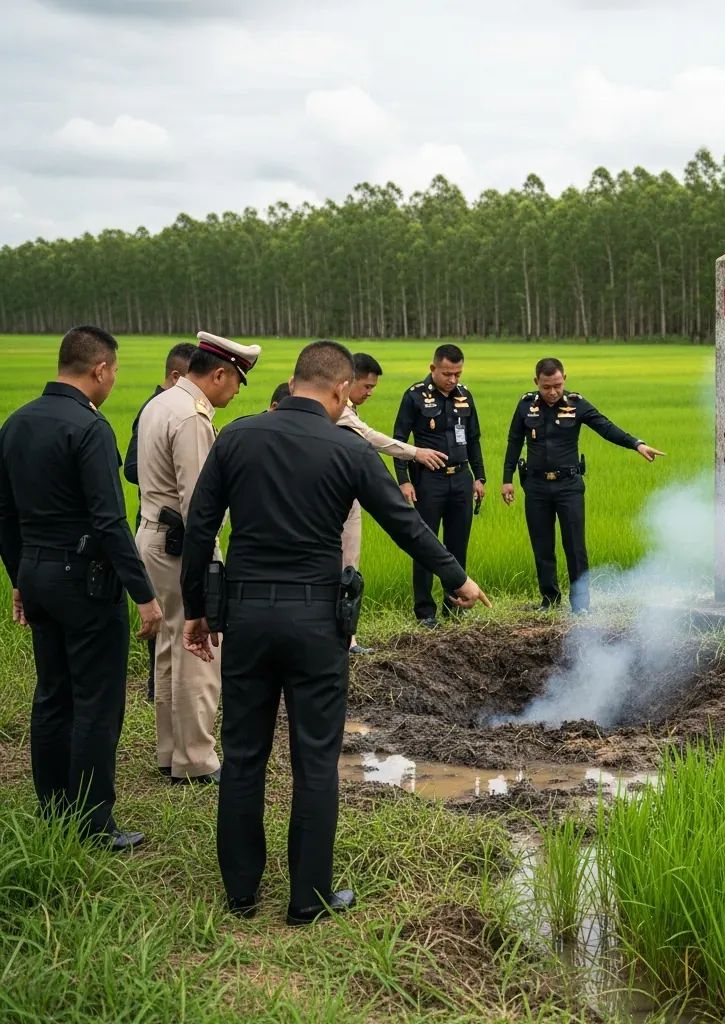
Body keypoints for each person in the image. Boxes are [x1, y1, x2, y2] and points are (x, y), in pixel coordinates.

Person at [179, 340, 490, 926]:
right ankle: (308, 900)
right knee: (314, 762)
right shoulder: (346, 449)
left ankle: (241, 895)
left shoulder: (238, 437)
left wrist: (197, 609)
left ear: (295, 380)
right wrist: (458, 578)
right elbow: (405, 523)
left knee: (243, 755)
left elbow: (200, 528)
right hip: (317, 624)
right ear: (341, 389)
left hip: (245, 617)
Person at [0, 325, 163, 851]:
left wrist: (19, 577)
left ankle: (53, 809)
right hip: (86, 583)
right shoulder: (89, 429)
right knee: (96, 700)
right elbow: (110, 521)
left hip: (37, 573)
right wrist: (144, 594)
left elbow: (5, 513)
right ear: (99, 370)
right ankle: (94, 823)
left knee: (52, 693)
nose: (113, 380)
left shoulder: (16, 422)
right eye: (113, 371)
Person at [136, 331, 260, 785]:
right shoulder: (192, 418)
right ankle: (197, 760)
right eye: (236, 383)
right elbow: (199, 506)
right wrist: (208, 570)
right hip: (182, 545)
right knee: (200, 649)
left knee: (170, 648)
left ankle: (172, 752)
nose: (234, 393)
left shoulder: (161, 402)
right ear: (220, 374)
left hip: (153, 537)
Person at [501, 357, 665, 613]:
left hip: (569, 487)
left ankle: (580, 605)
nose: (552, 392)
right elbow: (513, 442)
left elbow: (606, 427)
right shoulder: (525, 406)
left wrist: (637, 444)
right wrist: (507, 480)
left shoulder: (576, 404)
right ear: (536, 383)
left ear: (564, 379)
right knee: (542, 545)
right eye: (546, 387)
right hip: (536, 487)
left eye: (557, 385)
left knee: (575, 547)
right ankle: (549, 600)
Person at [340, 352, 448, 653]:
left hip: (347, 498)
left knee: (348, 566)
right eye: (366, 386)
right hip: (339, 503)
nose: (370, 393)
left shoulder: (344, 408)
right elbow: (371, 437)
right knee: (345, 566)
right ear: (347, 382)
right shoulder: (339, 412)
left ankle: (347, 638)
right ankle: (345, 640)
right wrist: (414, 453)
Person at [124, 341, 197, 702]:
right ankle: (161, 690)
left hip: (162, 526)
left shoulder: (166, 409)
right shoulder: (159, 410)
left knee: (171, 622)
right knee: (170, 621)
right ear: (175, 376)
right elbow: (131, 467)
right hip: (161, 526)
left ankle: (163, 691)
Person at [392, 343, 485, 627]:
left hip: (461, 478)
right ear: (433, 369)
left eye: (457, 373)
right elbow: (399, 440)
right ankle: (425, 612)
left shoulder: (465, 396)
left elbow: (474, 439)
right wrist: (404, 481)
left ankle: (455, 605)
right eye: (447, 373)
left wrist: (480, 477)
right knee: (425, 544)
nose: (452, 379)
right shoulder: (414, 396)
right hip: (427, 481)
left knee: (458, 545)